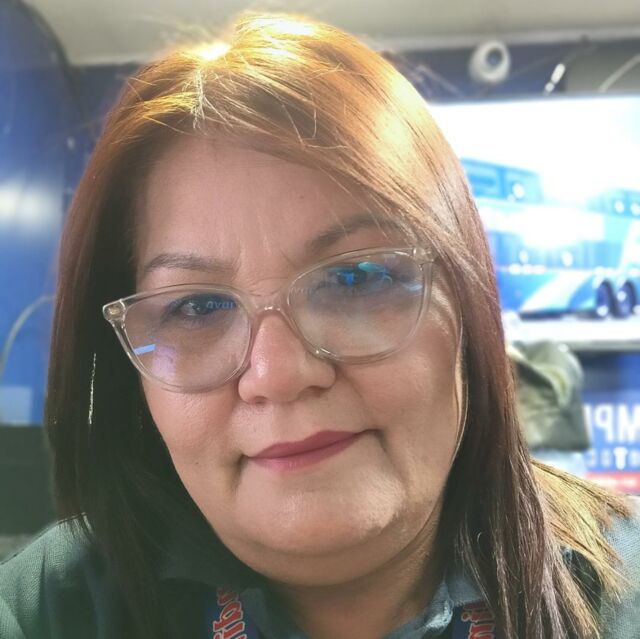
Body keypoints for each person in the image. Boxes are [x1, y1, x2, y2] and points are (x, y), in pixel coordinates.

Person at [1, 11, 639, 639]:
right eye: (197, 307)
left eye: (355, 278)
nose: (278, 374)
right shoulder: (47, 610)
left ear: (466, 303)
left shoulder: (621, 590)